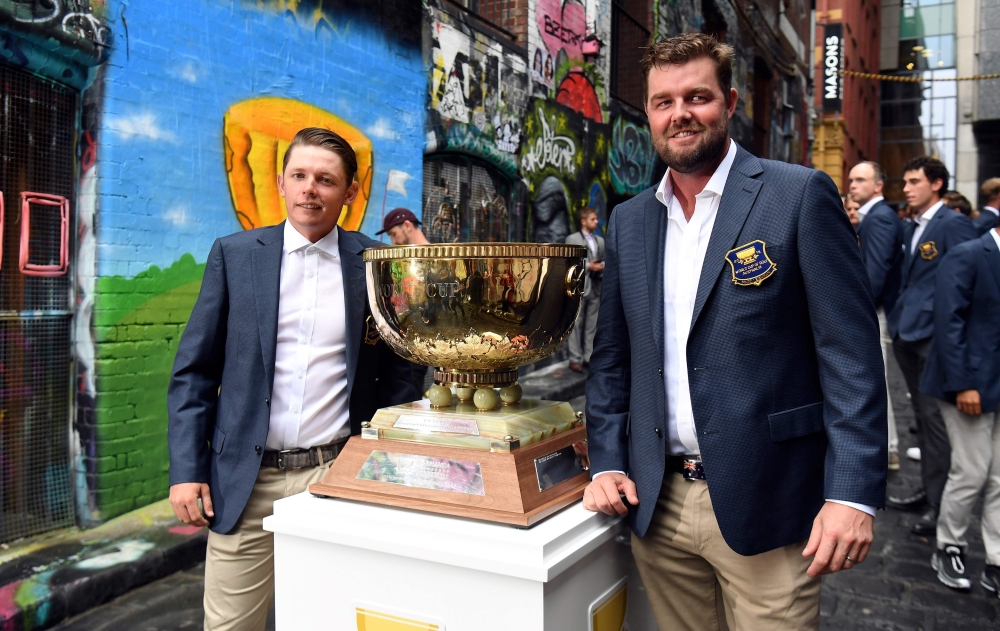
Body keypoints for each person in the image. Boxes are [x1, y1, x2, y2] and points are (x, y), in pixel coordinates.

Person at [583, 34, 886, 630]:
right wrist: (606, 462)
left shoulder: (797, 195)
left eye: (696, 96)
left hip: (771, 502)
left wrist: (852, 494)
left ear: (729, 101)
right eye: (663, 102)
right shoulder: (631, 219)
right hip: (659, 505)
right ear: (648, 113)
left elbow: (850, 355)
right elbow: (613, 358)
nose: (680, 114)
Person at [168, 128, 417, 631]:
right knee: (230, 624)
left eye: (325, 180)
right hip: (243, 479)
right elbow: (195, 373)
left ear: (349, 193)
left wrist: (380, 463)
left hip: (336, 476)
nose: (310, 189)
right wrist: (186, 470)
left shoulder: (376, 265)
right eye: (299, 176)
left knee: (331, 620)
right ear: (281, 182)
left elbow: (402, 375)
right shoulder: (235, 256)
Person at [886, 156, 978, 536]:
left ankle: (941, 506)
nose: (906, 188)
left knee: (936, 423)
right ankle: (928, 491)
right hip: (907, 331)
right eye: (905, 181)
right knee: (922, 420)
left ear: (936, 184)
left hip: (933, 337)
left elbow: (968, 281)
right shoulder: (914, 225)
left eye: (913, 181)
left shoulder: (954, 225)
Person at [919, 226, 1000, 593]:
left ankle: (996, 558)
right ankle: (949, 545)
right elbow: (947, 322)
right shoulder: (968, 254)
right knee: (971, 470)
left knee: (999, 476)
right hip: (967, 385)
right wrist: (964, 383)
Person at [849, 160, 905, 471]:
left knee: (875, 380)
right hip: (876, 311)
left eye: (860, 179)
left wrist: (859, 313)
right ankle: (889, 449)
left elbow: (876, 274)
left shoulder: (880, 218)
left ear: (878, 186)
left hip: (876, 312)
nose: (852, 185)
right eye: (851, 179)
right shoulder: (872, 218)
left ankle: (888, 450)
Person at [565, 207, 605, 372]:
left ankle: (588, 357)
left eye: (596, 219)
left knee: (592, 325)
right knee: (576, 325)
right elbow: (568, 262)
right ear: (583, 221)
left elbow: (605, 260)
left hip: (595, 287)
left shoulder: (600, 241)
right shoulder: (572, 239)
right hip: (578, 288)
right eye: (593, 219)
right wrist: (589, 266)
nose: (596, 222)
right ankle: (575, 358)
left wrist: (601, 266)